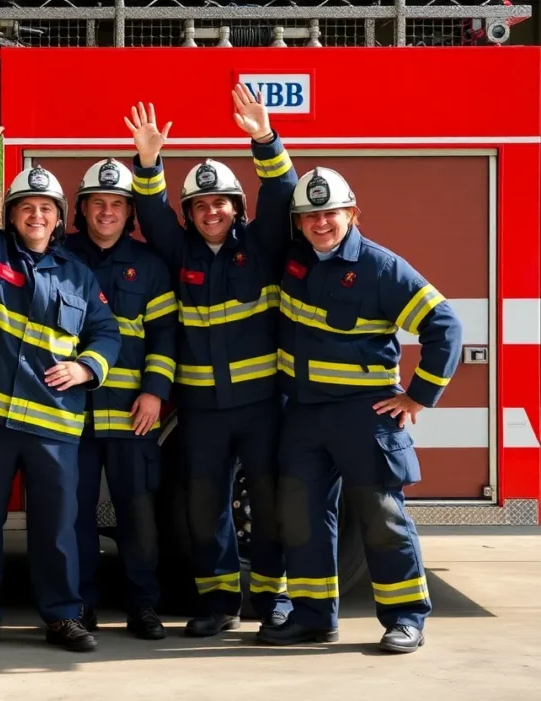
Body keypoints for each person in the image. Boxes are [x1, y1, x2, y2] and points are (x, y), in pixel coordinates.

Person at [0, 99, 122, 654]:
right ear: (11, 215)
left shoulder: (79, 275)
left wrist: (87, 366)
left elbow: (107, 333)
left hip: (54, 425)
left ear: (58, 216)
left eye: (45, 208)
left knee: (56, 528)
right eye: (26, 208)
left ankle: (62, 616)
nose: (36, 215)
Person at [256, 166, 462, 653]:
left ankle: (405, 619)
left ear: (352, 213)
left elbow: (444, 326)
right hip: (303, 416)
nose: (320, 223)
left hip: (363, 417)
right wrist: (266, 141)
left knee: (381, 518)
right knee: (302, 519)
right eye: (309, 215)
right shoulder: (293, 259)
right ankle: (312, 619)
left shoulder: (380, 267)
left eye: (330, 213)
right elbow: (276, 196)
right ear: (298, 223)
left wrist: (418, 396)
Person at [124, 85, 296, 636]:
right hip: (201, 411)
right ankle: (219, 604)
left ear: (236, 209)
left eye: (220, 202)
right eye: (200, 205)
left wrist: (265, 140)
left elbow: (281, 191)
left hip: (261, 407)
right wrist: (149, 163)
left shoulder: (262, 247)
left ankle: (274, 602)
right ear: (191, 213)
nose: (211, 212)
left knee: (269, 508)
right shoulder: (180, 254)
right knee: (206, 510)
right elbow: (150, 213)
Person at [62, 158, 177, 640]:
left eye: (117, 204)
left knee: (138, 516)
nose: (106, 212)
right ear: (82, 208)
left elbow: (165, 335)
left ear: (130, 212)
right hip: (72, 415)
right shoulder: (59, 255)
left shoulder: (149, 265)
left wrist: (154, 393)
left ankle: (142, 607)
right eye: (98, 203)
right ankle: (82, 606)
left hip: (134, 416)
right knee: (74, 515)